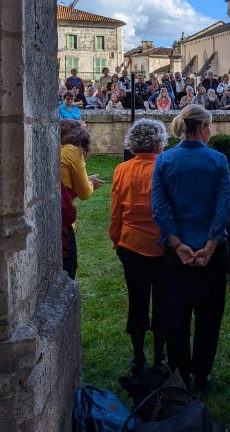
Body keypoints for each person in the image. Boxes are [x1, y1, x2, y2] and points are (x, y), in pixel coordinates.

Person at [151, 104, 230, 392]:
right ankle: (202, 371)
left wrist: (176, 243)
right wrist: (210, 246)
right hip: (211, 250)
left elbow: (159, 208)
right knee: (209, 316)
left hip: (177, 251)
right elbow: (223, 208)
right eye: (210, 127)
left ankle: (181, 370)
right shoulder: (218, 160)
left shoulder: (164, 160)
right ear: (202, 127)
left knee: (177, 314)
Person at [110, 119, 170, 375]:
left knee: (137, 300)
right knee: (163, 302)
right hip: (162, 246)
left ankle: (137, 357)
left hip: (131, 243)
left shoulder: (122, 169)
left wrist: (116, 239)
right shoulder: (165, 166)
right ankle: (159, 356)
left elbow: (116, 211)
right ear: (159, 143)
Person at [59, 120, 103, 279]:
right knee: (68, 269)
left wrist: (86, 180)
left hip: (55, 212)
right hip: (63, 222)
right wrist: (90, 183)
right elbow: (84, 193)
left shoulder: (59, 149)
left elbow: (66, 186)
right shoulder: (72, 150)